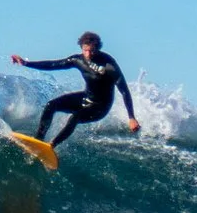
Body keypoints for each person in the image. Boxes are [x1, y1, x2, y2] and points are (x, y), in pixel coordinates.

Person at [9, 33, 140, 149]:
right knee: (51, 105)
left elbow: (124, 91)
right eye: (85, 50)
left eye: (92, 51)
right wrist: (26, 63)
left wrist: (131, 117)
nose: (88, 54)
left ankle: (51, 145)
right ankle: (38, 139)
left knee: (75, 117)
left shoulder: (109, 65)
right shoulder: (78, 60)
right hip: (86, 98)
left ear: (97, 48)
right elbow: (53, 65)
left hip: (100, 107)